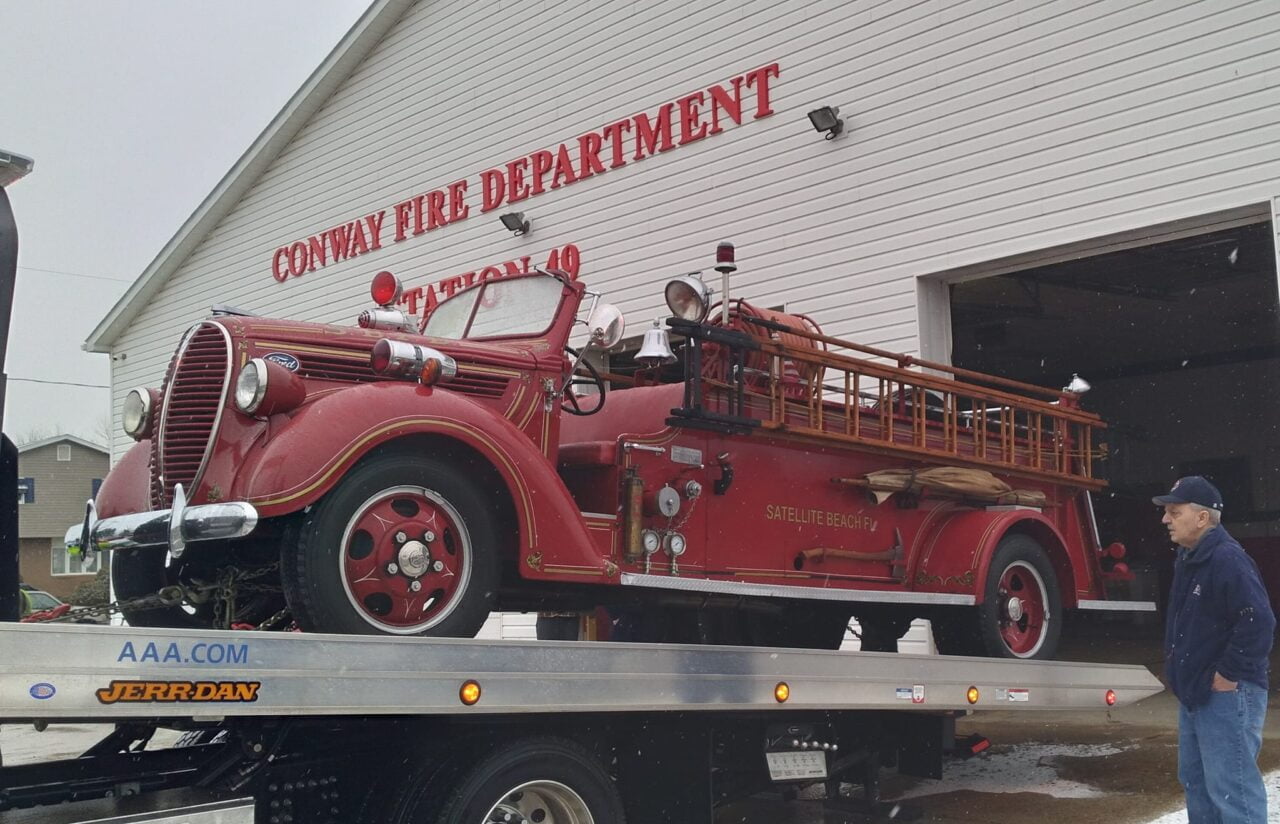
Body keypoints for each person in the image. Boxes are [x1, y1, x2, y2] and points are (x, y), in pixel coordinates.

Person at [1155, 475, 1275, 823]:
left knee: (1231, 790)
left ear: (1203, 517)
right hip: (1197, 694)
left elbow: (1258, 622)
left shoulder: (1226, 559)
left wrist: (1227, 675)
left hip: (1227, 694)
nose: (1165, 519)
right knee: (1198, 784)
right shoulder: (1189, 558)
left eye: (1175, 512)